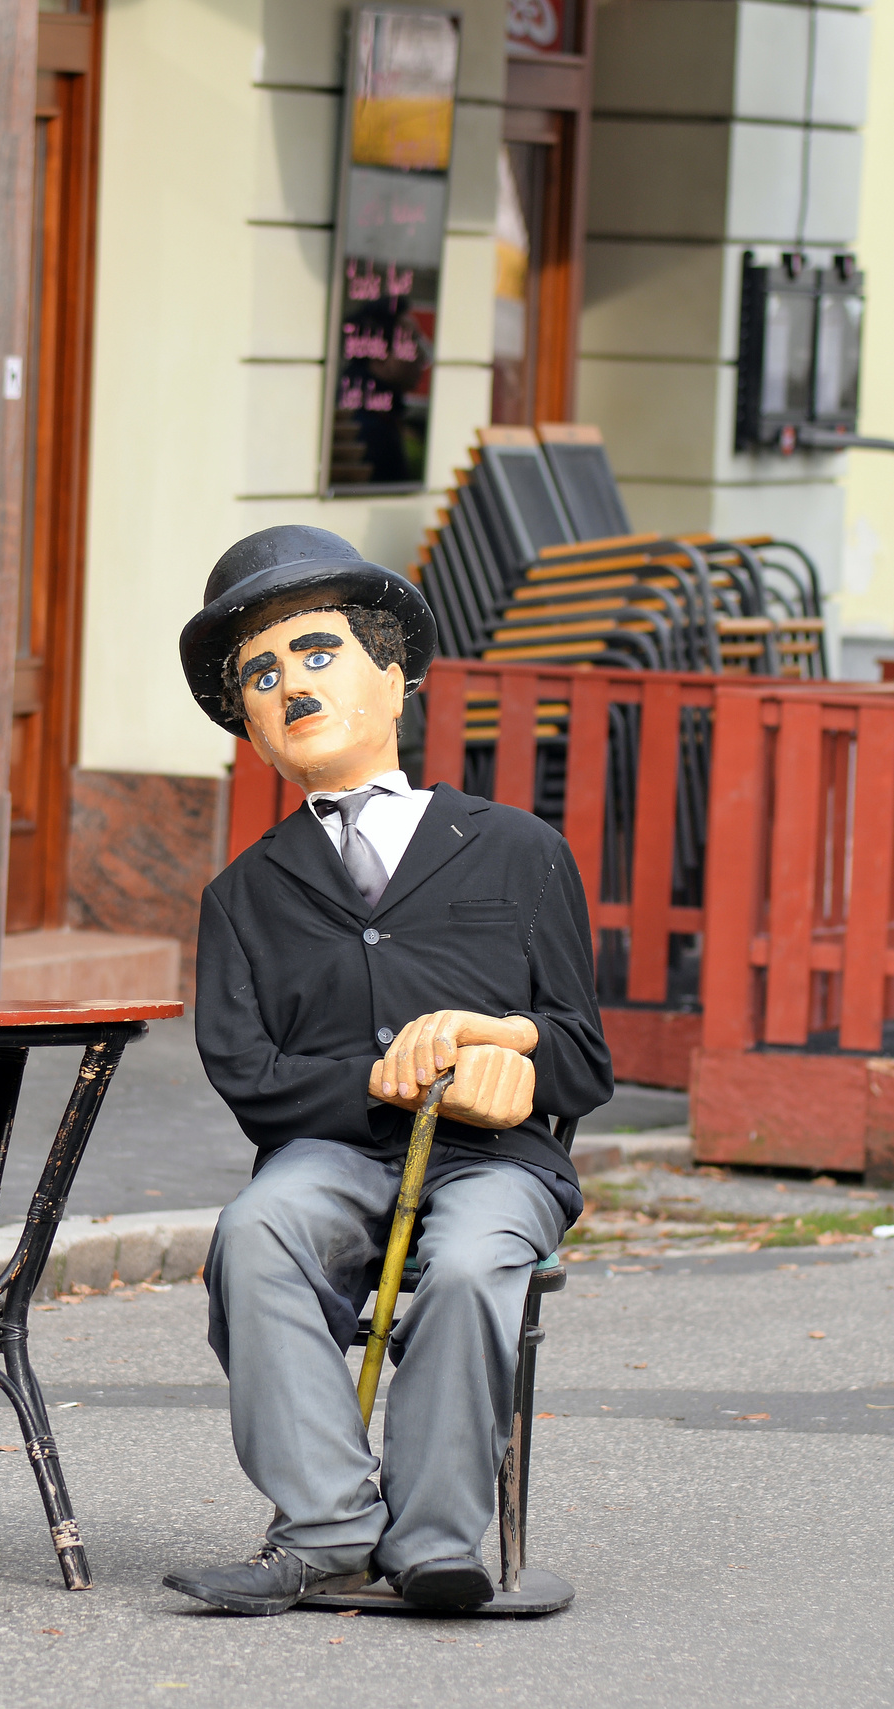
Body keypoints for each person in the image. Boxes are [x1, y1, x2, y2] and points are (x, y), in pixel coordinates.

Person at [165, 525, 612, 1615]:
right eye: (260, 675)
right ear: (251, 728)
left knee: (466, 1268)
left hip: (492, 1158)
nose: (290, 686)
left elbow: (583, 1055)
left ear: (393, 674)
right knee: (256, 1232)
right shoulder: (245, 895)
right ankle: (326, 1527)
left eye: (317, 653)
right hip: (326, 1157)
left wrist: (504, 1047)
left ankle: (436, 1540)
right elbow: (249, 1074)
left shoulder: (515, 847)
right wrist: (381, 1073)